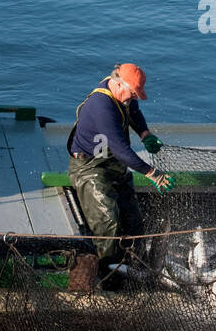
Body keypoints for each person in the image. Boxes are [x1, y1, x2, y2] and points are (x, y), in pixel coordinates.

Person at [66, 63, 174, 289]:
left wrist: (145, 134)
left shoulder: (123, 95)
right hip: (89, 168)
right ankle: (110, 278)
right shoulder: (101, 106)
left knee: (134, 221)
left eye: (136, 94)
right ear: (117, 83)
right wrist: (153, 174)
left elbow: (134, 112)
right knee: (108, 223)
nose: (133, 98)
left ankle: (135, 268)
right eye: (132, 93)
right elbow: (122, 150)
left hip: (113, 164)